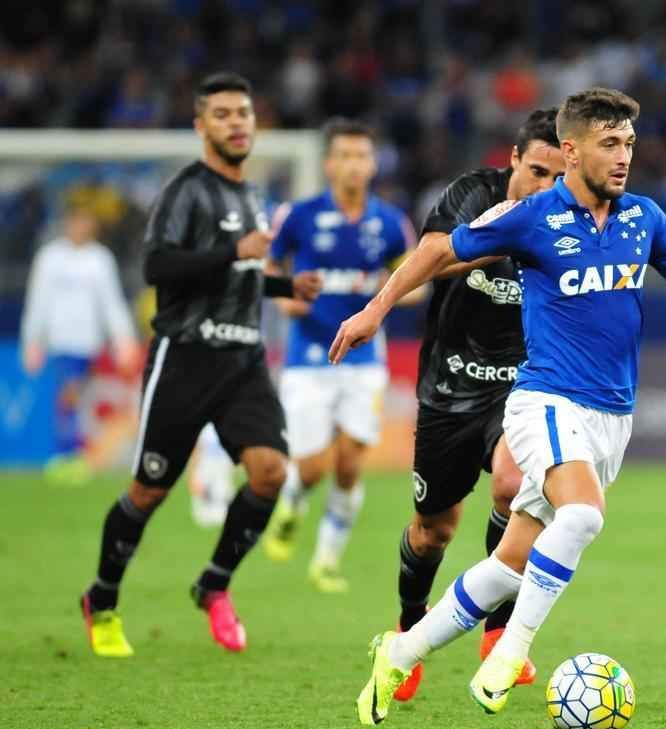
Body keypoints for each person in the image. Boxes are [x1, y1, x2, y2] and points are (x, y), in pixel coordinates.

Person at [330, 87, 666, 725]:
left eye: (629, 143)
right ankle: (510, 651)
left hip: (611, 417)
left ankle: (399, 652)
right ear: (571, 152)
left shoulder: (643, 217)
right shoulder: (533, 217)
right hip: (545, 399)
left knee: (509, 565)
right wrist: (374, 310)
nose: (623, 156)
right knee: (583, 515)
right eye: (609, 143)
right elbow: (438, 250)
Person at [78, 72, 321, 658]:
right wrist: (235, 251)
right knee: (148, 491)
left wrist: (286, 285)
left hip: (243, 360)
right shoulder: (186, 191)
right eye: (222, 114)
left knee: (270, 473)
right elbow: (158, 267)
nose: (236, 123)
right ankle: (101, 599)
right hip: (185, 359)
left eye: (243, 113)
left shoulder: (251, 196)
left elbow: (240, 275)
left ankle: (213, 585)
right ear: (201, 126)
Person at [391, 106, 565, 702]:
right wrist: (500, 237)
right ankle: (409, 624)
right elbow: (433, 253)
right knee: (432, 532)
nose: (546, 187)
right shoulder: (472, 194)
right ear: (513, 159)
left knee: (515, 487)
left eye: (558, 177)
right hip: (451, 386)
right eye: (537, 171)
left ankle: (498, 634)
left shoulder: (569, 216)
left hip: (521, 385)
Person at [256, 118, 417, 594]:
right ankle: (292, 502)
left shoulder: (389, 222)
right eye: (344, 155)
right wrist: (285, 295)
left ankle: (326, 561)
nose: (353, 165)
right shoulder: (300, 216)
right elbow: (268, 264)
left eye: (361, 156)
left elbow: (413, 280)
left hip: (364, 361)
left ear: (373, 164)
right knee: (310, 467)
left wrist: (388, 292)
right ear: (329, 164)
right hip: (309, 358)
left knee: (349, 464)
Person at [20, 200, 139, 484]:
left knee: (78, 400)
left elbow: (111, 303)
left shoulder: (100, 259)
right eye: (76, 221)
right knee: (69, 395)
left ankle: (74, 453)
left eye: (86, 222)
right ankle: (68, 455)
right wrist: (32, 341)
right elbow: (38, 301)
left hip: (89, 342)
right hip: (61, 340)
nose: (80, 227)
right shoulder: (50, 258)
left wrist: (123, 340)